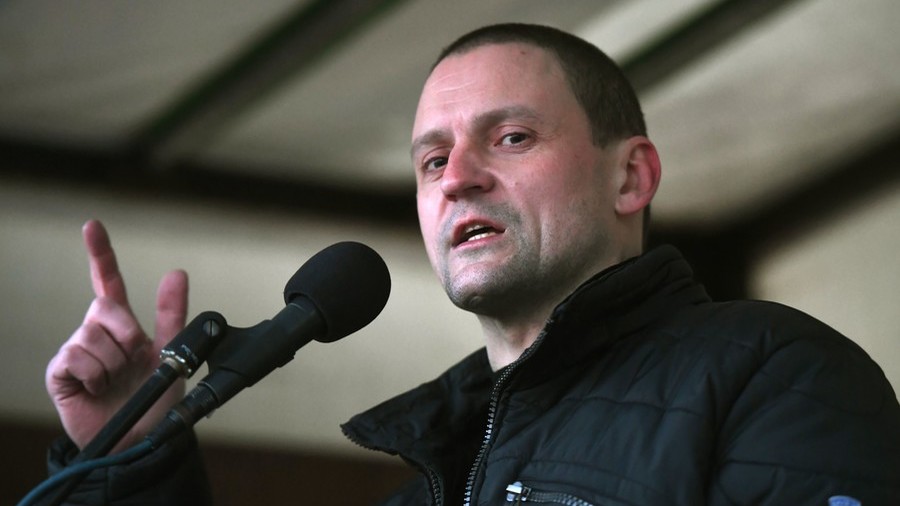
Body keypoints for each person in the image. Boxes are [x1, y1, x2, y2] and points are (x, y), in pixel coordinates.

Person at [44, 23, 899, 505]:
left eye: (512, 136)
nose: (458, 178)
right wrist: (135, 455)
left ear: (630, 175)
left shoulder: (775, 373)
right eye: (430, 160)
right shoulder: (429, 480)